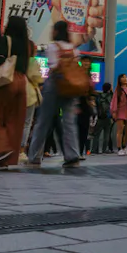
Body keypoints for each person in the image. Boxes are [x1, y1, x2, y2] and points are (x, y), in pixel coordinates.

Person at [27, 21, 81, 168]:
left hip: (54, 86)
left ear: (56, 31)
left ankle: (34, 156)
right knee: (69, 122)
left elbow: (53, 66)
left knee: (43, 121)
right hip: (71, 88)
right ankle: (72, 156)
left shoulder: (53, 47)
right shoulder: (74, 49)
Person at [0, 17, 32, 167]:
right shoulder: (27, 45)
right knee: (14, 122)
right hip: (22, 82)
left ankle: (1, 148)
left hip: (7, 80)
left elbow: (0, 58)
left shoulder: (7, 39)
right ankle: (7, 160)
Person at [111, 73, 127, 156]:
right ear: (120, 79)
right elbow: (114, 101)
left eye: (126, 77)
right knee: (120, 130)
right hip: (120, 111)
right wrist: (114, 112)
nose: (125, 79)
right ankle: (119, 148)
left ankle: (125, 147)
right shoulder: (118, 90)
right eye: (123, 77)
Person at [96, 83, 114, 154]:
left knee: (96, 134)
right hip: (108, 117)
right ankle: (104, 149)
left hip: (100, 117)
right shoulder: (111, 96)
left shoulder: (99, 96)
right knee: (107, 134)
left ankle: (94, 149)